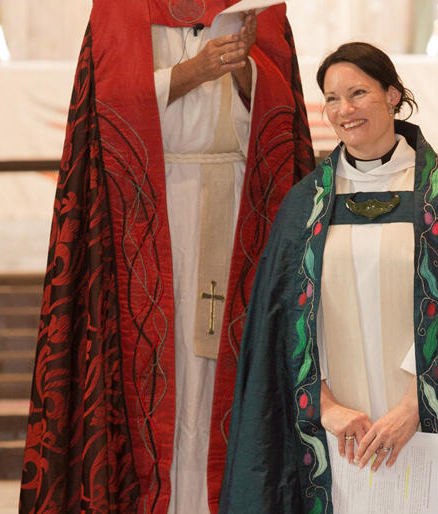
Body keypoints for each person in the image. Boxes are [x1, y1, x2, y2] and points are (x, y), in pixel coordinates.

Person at [19, 1, 314, 513]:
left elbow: (281, 117)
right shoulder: (118, 11)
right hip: (146, 206)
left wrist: (244, 67)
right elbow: (107, 110)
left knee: (222, 361)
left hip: (237, 201)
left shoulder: (257, 11)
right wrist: (194, 71)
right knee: (163, 365)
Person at [220, 42, 438, 513]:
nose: (344, 110)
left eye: (358, 93)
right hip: (335, 432)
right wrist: (325, 408)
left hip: (422, 423)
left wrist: (415, 405)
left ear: (392, 95)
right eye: (331, 98)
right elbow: (279, 328)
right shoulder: (304, 207)